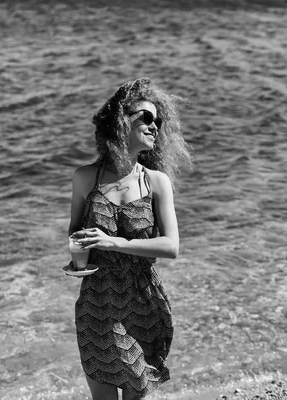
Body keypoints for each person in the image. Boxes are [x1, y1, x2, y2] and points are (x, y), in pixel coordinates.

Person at [66, 77, 192, 400]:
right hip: (97, 305)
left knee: (139, 392)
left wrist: (116, 243)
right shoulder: (84, 179)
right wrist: (78, 256)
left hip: (142, 303)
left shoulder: (157, 183)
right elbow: (74, 233)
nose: (155, 126)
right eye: (146, 118)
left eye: (158, 120)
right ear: (122, 120)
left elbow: (171, 246)